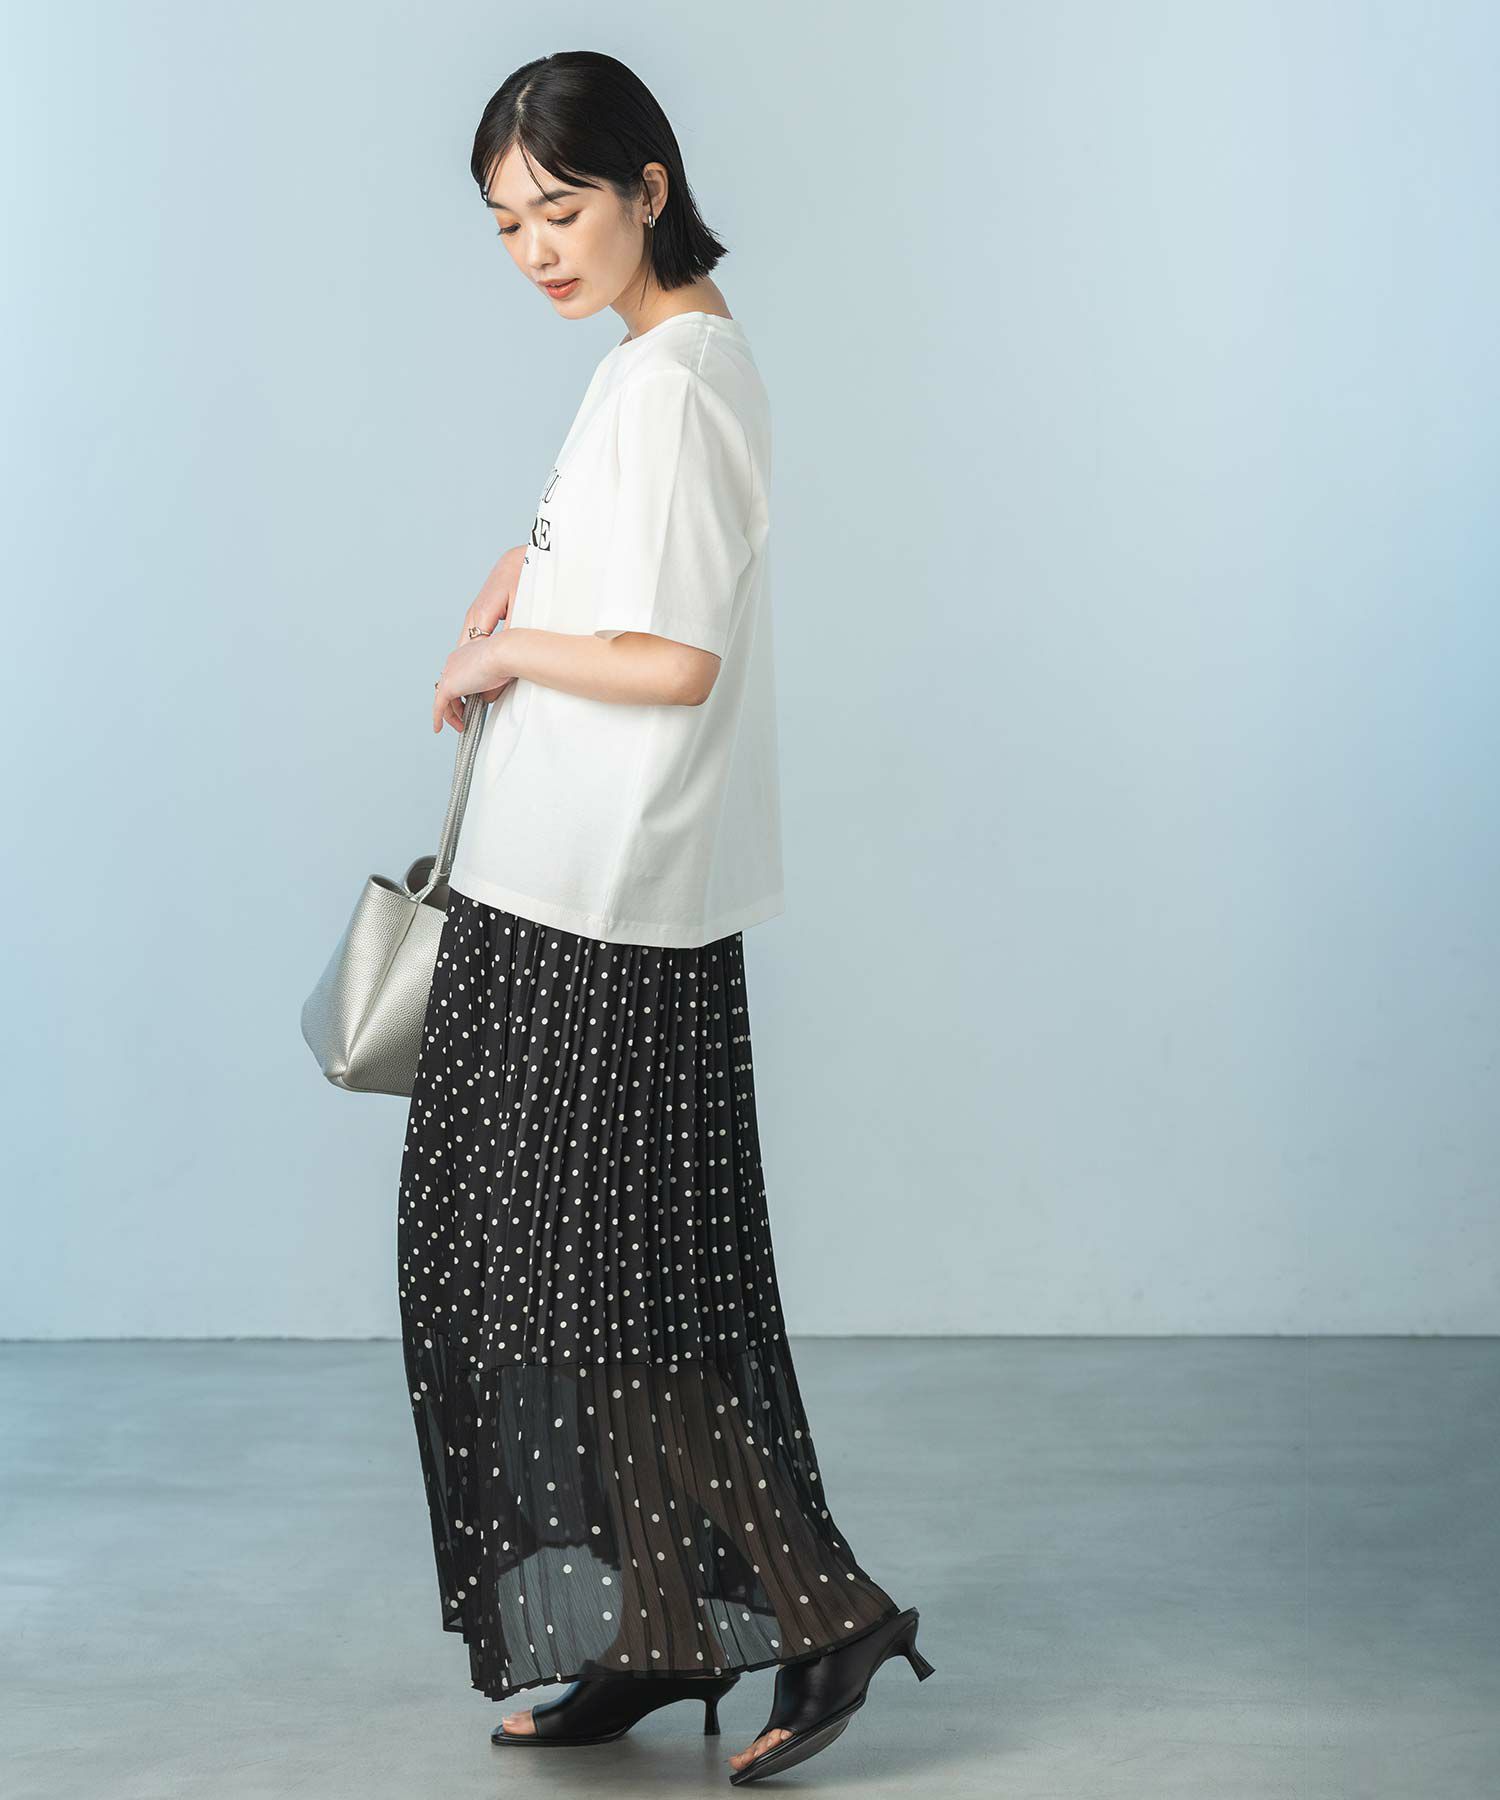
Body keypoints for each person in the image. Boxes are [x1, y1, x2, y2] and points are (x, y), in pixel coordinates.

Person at [397, 50, 933, 1785]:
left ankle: (825, 1613)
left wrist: (505, 643)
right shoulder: (647, 366)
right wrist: (532, 569)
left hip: (604, 909)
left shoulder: (683, 380)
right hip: (558, 885)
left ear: (649, 182)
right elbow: (632, 585)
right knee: (577, 1291)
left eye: (560, 208)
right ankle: (653, 1629)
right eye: (506, 225)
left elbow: (678, 660)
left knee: (603, 1293)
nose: (536, 250)